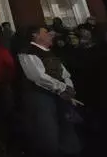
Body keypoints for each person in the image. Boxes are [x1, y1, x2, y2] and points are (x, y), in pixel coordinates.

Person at [18, 26, 80, 157]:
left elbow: (64, 73)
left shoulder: (50, 52)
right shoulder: (28, 52)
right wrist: (62, 87)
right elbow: (37, 76)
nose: (50, 35)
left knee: (66, 125)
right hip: (40, 96)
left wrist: (68, 87)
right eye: (45, 32)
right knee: (47, 130)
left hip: (58, 95)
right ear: (35, 35)